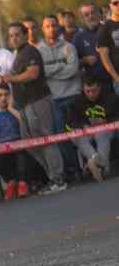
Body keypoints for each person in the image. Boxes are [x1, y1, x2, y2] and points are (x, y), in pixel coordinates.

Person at [0, 22, 67, 195]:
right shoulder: (18, 54)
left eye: (17, 35)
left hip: (37, 102)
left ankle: (58, 179)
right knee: (30, 144)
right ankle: (52, 176)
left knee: (45, 139)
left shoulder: (30, 51)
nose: (13, 38)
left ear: (24, 35)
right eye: (11, 35)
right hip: (24, 106)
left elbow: (33, 73)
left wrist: (11, 79)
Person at [38, 15, 81, 181]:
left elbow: (73, 69)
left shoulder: (69, 47)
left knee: (81, 134)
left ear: (59, 27)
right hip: (54, 100)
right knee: (61, 138)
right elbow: (42, 73)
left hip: (73, 95)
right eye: (47, 26)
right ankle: (73, 171)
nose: (51, 28)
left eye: (54, 25)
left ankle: (88, 167)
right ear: (43, 29)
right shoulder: (39, 51)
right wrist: (61, 65)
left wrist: (51, 70)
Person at [68, 75, 119, 182]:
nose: (91, 94)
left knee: (101, 134)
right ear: (83, 89)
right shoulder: (76, 101)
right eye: (88, 91)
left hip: (106, 129)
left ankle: (98, 165)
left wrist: (106, 121)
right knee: (76, 137)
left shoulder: (111, 97)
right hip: (87, 131)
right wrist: (83, 125)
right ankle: (99, 163)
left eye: (94, 90)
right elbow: (71, 121)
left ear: (99, 87)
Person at [74, 3, 112, 87]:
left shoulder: (109, 30)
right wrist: (84, 60)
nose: (91, 16)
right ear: (82, 18)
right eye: (86, 15)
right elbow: (73, 63)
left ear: (99, 14)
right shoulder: (78, 37)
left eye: (93, 12)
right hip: (93, 86)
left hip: (114, 79)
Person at [97, 0, 119, 96]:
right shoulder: (105, 28)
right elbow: (105, 58)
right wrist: (117, 79)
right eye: (115, 3)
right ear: (110, 6)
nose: (118, 5)